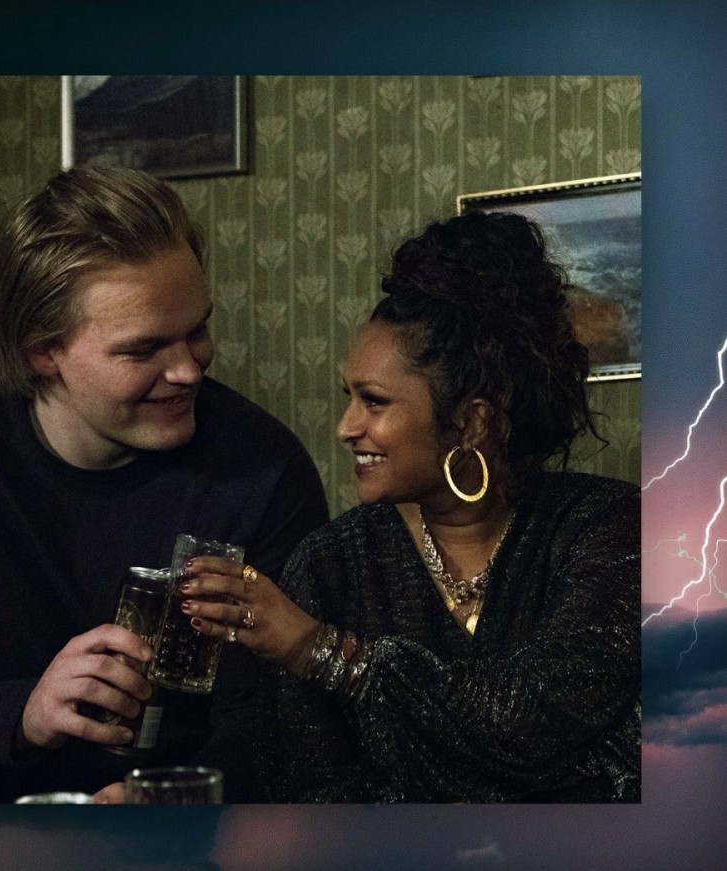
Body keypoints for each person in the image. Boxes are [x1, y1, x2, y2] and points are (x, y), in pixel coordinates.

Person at [177, 210, 641, 803]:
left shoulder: (607, 532)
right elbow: (313, 790)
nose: (346, 427)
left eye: (374, 402)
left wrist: (320, 652)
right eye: (349, 397)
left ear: (471, 421)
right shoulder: (328, 565)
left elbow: (536, 724)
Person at [0, 165, 329, 803]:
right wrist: (23, 712)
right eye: (143, 349)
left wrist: (166, 801)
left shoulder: (266, 469)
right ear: (41, 352)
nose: (188, 370)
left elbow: (280, 723)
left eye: (198, 331)